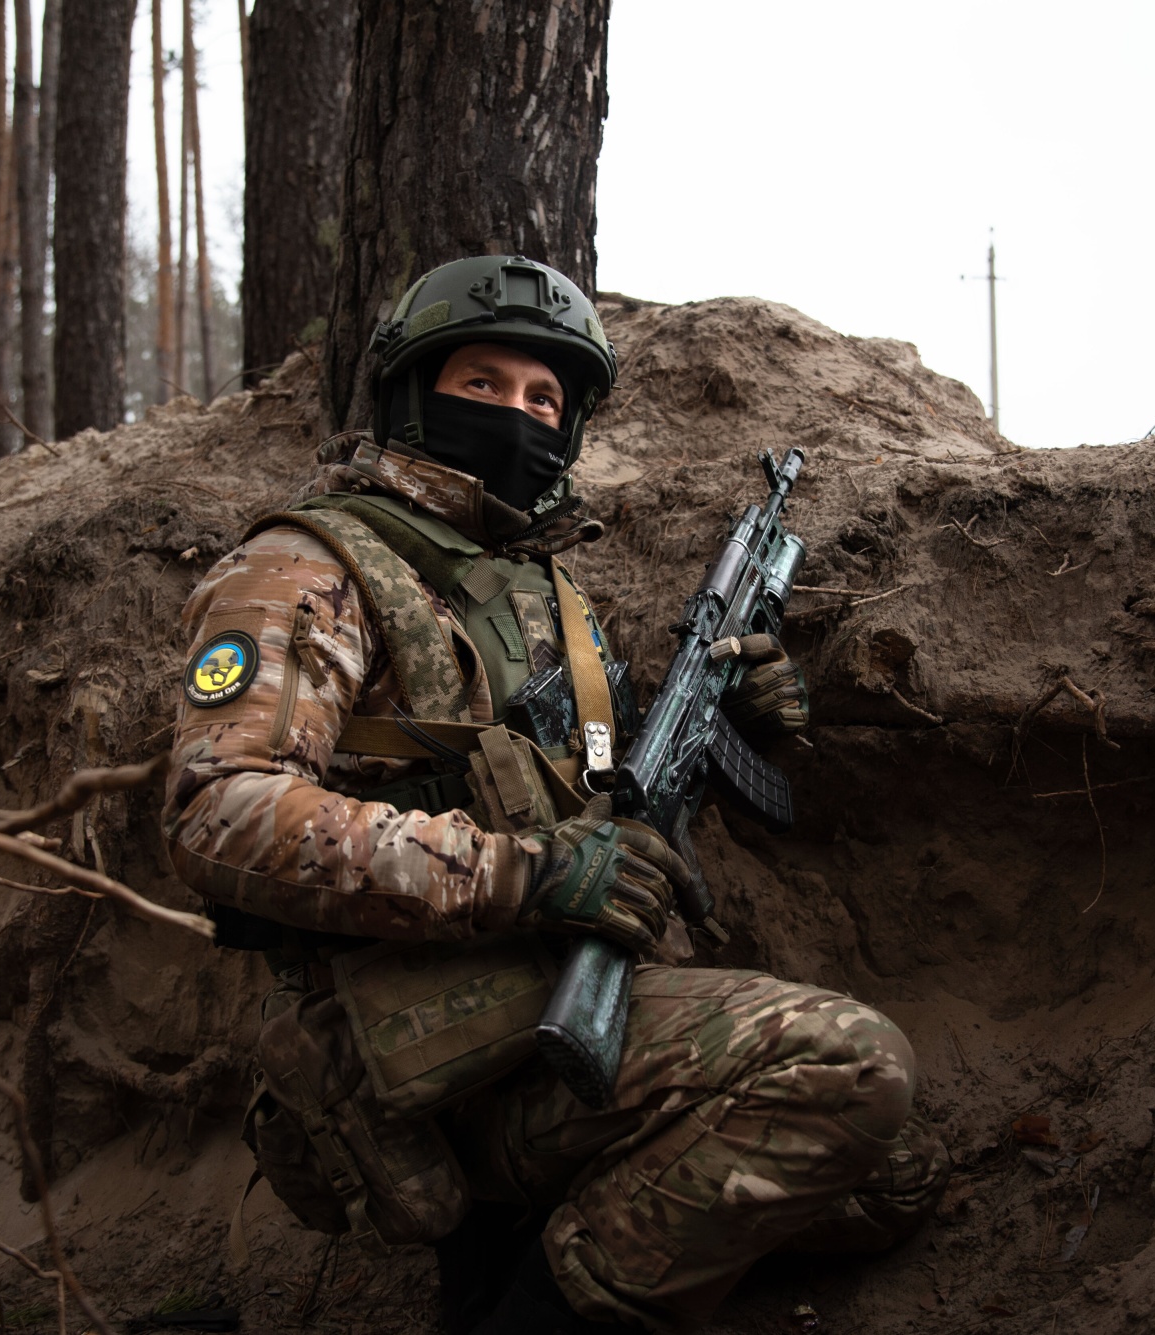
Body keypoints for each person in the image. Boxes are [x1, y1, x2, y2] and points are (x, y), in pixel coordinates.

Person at [163, 255, 949, 1333]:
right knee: (851, 1067)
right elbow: (221, 814)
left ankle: (533, 1257)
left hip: (567, 1001)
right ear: (410, 393)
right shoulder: (309, 567)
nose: (517, 415)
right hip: (431, 1053)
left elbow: (595, 815)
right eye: (481, 384)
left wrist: (726, 726)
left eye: (544, 397)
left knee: (895, 1175)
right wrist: (522, 876)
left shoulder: (549, 593)